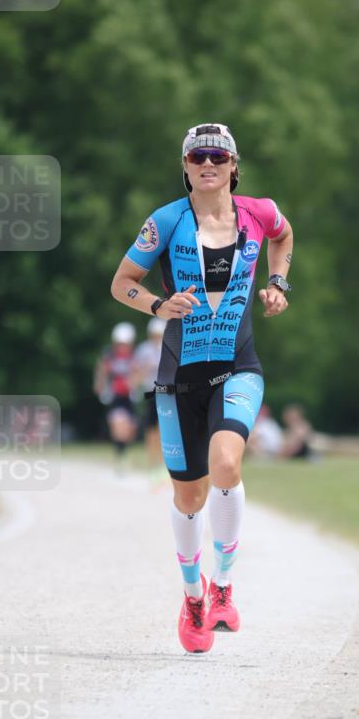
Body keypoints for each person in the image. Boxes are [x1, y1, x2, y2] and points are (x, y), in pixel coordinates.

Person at [111, 123, 293, 653]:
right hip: (178, 377)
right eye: (197, 156)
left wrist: (278, 283)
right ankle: (193, 596)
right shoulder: (165, 221)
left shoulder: (260, 212)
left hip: (238, 366)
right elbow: (122, 282)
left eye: (217, 155)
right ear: (185, 167)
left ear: (234, 165)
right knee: (189, 496)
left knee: (228, 466)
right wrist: (157, 306)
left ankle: (226, 588)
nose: (207, 163)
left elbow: (283, 236)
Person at [93, 322, 139, 466]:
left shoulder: (134, 357)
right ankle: (120, 457)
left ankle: (122, 452)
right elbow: (102, 373)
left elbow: (138, 374)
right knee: (119, 426)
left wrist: (134, 383)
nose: (122, 346)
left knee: (130, 430)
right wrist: (100, 386)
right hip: (115, 397)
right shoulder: (109, 356)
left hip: (129, 397)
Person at [132, 317, 166, 470]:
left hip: (167, 392)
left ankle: (162, 460)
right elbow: (137, 371)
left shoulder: (168, 347)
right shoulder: (144, 349)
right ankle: (152, 458)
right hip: (150, 391)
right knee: (151, 426)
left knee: (164, 427)